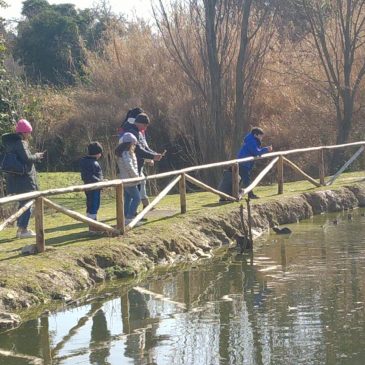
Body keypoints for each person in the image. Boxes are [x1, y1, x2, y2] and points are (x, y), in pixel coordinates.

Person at [1, 119, 45, 238]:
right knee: (28, 203)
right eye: (29, 132)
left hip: (16, 180)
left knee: (23, 203)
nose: (29, 135)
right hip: (25, 179)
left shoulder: (9, 144)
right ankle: (23, 229)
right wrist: (37, 156)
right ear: (24, 132)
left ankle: (20, 229)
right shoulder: (20, 143)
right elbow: (27, 159)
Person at [237, 127, 272, 199]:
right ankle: (250, 194)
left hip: (244, 161)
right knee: (246, 179)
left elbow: (256, 150)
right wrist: (266, 149)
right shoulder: (251, 141)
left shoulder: (251, 139)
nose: (261, 138)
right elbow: (256, 152)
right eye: (260, 136)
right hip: (244, 162)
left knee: (241, 179)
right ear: (256, 135)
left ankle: (237, 193)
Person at [116, 132, 141, 224]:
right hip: (130, 180)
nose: (134, 146)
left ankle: (125, 217)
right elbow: (129, 166)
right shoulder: (126, 154)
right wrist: (136, 177)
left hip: (126, 180)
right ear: (130, 144)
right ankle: (129, 217)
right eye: (134, 144)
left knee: (127, 199)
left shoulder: (123, 153)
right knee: (137, 198)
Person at [80, 142, 104, 232]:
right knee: (93, 205)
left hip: (94, 187)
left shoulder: (89, 162)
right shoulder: (91, 163)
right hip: (93, 188)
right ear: (97, 153)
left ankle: (93, 224)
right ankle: (93, 226)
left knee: (93, 205)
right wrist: (100, 181)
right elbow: (90, 176)